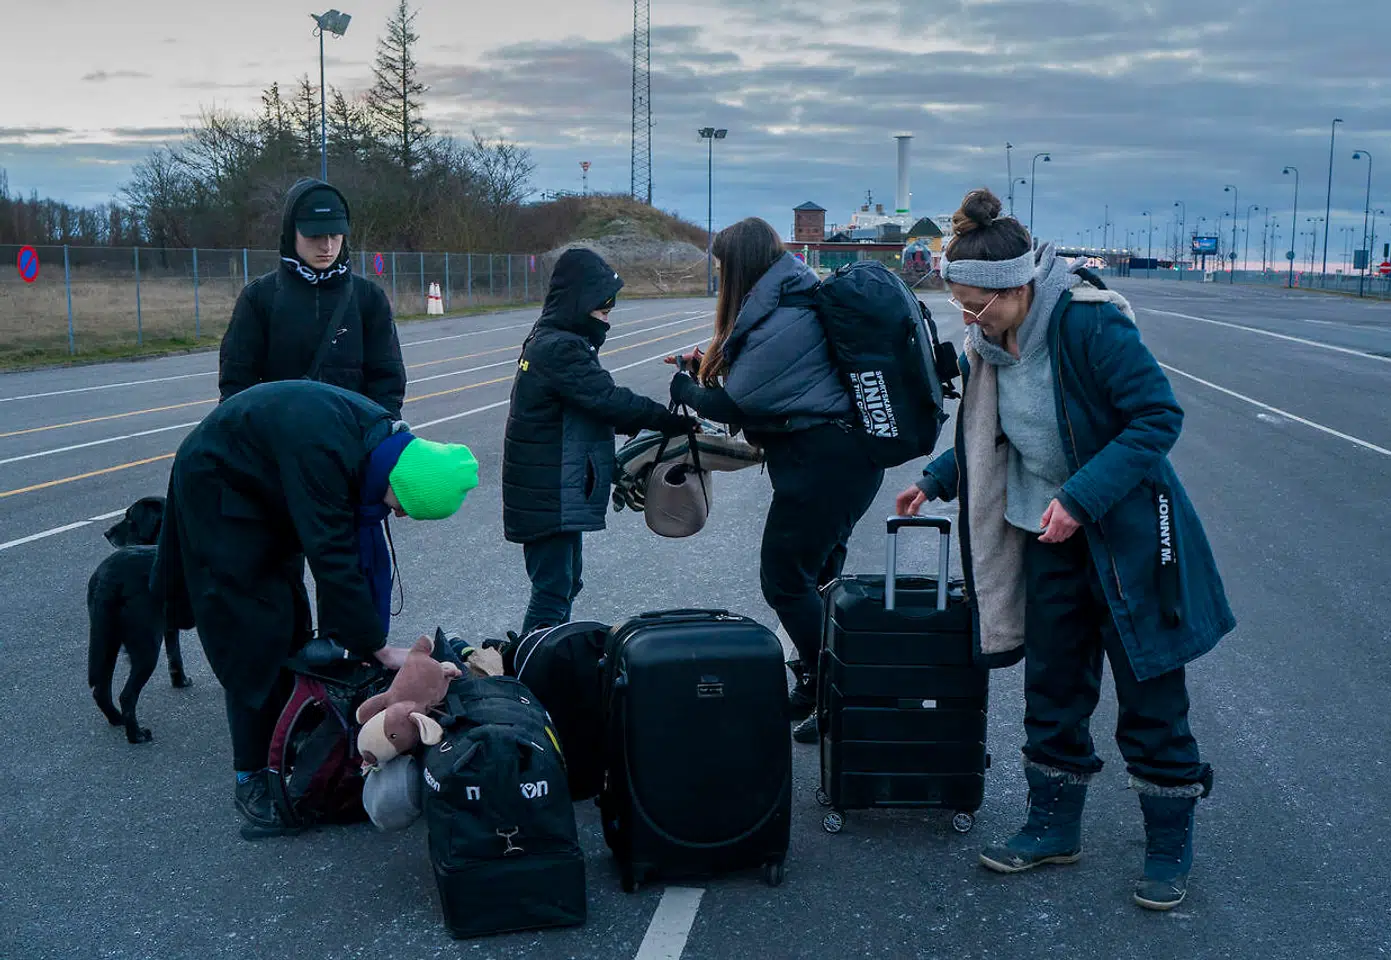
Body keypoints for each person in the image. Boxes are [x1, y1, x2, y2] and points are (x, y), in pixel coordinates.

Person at [894, 188, 1235, 910]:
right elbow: (994, 434)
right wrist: (936, 478)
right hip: (1043, 536)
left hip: (1129, 538)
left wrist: (1080, 498)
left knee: (1150, 694)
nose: (969, 320)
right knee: (1053, 687)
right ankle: (1054, 826)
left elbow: (1155, 418)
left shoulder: (1088, 325)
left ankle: (1169, 843)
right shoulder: (988, 343)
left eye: (978, 307)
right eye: (958, 305)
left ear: (1020, 288)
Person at [152, 379, 479, 836]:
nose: (398, 518)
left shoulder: (378, 444)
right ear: (401, 480)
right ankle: (251, 782)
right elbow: (332, 554)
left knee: (289, 617)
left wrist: (354, 638)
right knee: (252, 634)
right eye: (403, 508)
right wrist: (373, 646)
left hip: (265, 489)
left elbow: (335, 549)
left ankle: (289, 739)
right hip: (219, 487)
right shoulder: (326, 452)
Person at [668, 218, 882, 744]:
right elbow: (773, 385)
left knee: (784, 579)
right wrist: (704, 369)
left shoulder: (784, 314)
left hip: (823, 465)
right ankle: (823, 690)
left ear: (741, 267)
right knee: (821, 579)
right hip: (843, 461)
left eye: (722, 268)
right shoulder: (791, 297)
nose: (720, 279)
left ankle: (835, 691)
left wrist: (684, 386)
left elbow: (738, 402)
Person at [502, 248, 692, 635]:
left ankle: (547, 660)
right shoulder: (561, 348)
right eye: (602, 313)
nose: (607, 321)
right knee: (553, 590)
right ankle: (533, 669)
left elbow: (583, 406)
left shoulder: (551, 338)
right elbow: (607, 399)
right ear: (580, 303)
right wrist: (667, 420)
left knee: (566, 583)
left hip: (552, 488)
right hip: (547, 492)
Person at [219, 177, 406, 415]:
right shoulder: (259, 298)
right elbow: (236, 385)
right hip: (281, 443)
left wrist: (376, 436)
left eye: (335, 234)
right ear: (291, 231)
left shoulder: (369, 299)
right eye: (314, 235)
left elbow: (388, 383)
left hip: (349, 444)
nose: (326, 246)